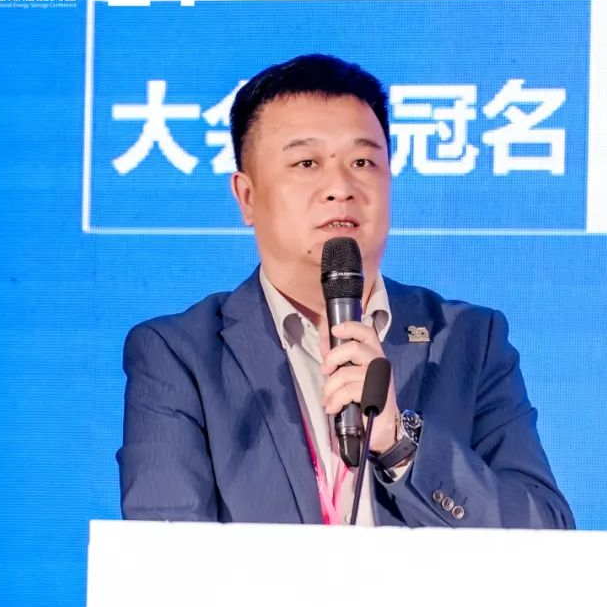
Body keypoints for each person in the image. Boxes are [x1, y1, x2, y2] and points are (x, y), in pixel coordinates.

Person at [117, 54, 574, 528]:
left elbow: (545, 533)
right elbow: (164, 551)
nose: (340, 187)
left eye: (362, 161)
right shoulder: (180, 355)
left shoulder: (468, 341)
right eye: (306, 163)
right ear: (247, 196)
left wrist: (401, 444)